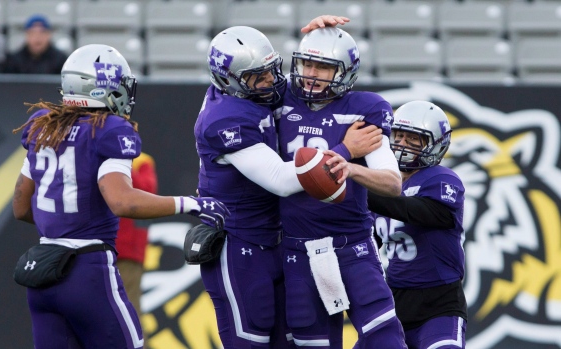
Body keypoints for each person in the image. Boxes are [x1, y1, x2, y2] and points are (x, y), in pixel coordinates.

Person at [11, 44, 229, 349]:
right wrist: (190, 203)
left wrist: (65, 221)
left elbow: (21, 208)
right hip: (87, 269)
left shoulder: (43, 128)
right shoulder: (109, 129)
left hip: (42, 275)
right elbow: (122, 201)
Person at [193, 19, 374, 349]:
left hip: (275, 243)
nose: (268, 81)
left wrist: (321, 40)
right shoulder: (225, 118)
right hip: (238, 245)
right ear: (227, 81)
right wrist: (346, 151)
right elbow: (280, 181)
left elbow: (316, 77)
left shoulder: (253, 96)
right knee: (251, 338)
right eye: (255, 77)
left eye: (270, 70)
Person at [276, 27, 407, 348]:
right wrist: (344, 151)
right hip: (297, 250)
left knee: (386, 339)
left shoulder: (364, 109)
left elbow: (392, 183)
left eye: (323, 67)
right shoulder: (279, 100)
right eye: (307, 63)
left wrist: (350, 169)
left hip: (352, 247)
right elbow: (227, 86)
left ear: (346, 71)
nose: (311, 74)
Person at [366, 101, 467, 348]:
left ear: (435, 145)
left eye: (413, 140)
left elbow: (417, 210)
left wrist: (360, 189)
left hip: (438, 303)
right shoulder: (380, 181)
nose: (402, 145)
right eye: (398, 137)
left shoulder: (441, 178)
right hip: (393, 302)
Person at [115, 152, 158, 349]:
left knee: (129, 312)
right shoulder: (94, 153)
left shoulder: (142, 160)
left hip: (127, 252)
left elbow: (146, 192)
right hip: (94, 250)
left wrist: (122, 161)